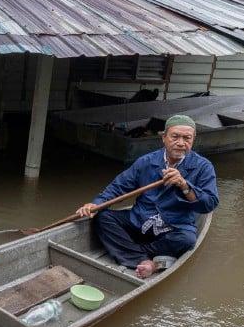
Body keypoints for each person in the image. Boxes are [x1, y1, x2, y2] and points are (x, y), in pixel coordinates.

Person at [75, 115, 218, 278]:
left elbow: (209, 204)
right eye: (175, 136)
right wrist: (95, 205)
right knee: (103, 217)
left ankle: (132, 253)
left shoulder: (203, 167)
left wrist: (184, 186)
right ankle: (148, 261)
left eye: (187, 138)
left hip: (173, 227)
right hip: (140, 221)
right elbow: (118, 187)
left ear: (193, 140)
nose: (180, 143)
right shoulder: (146, 162)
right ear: (163, 138)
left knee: (186, 240)